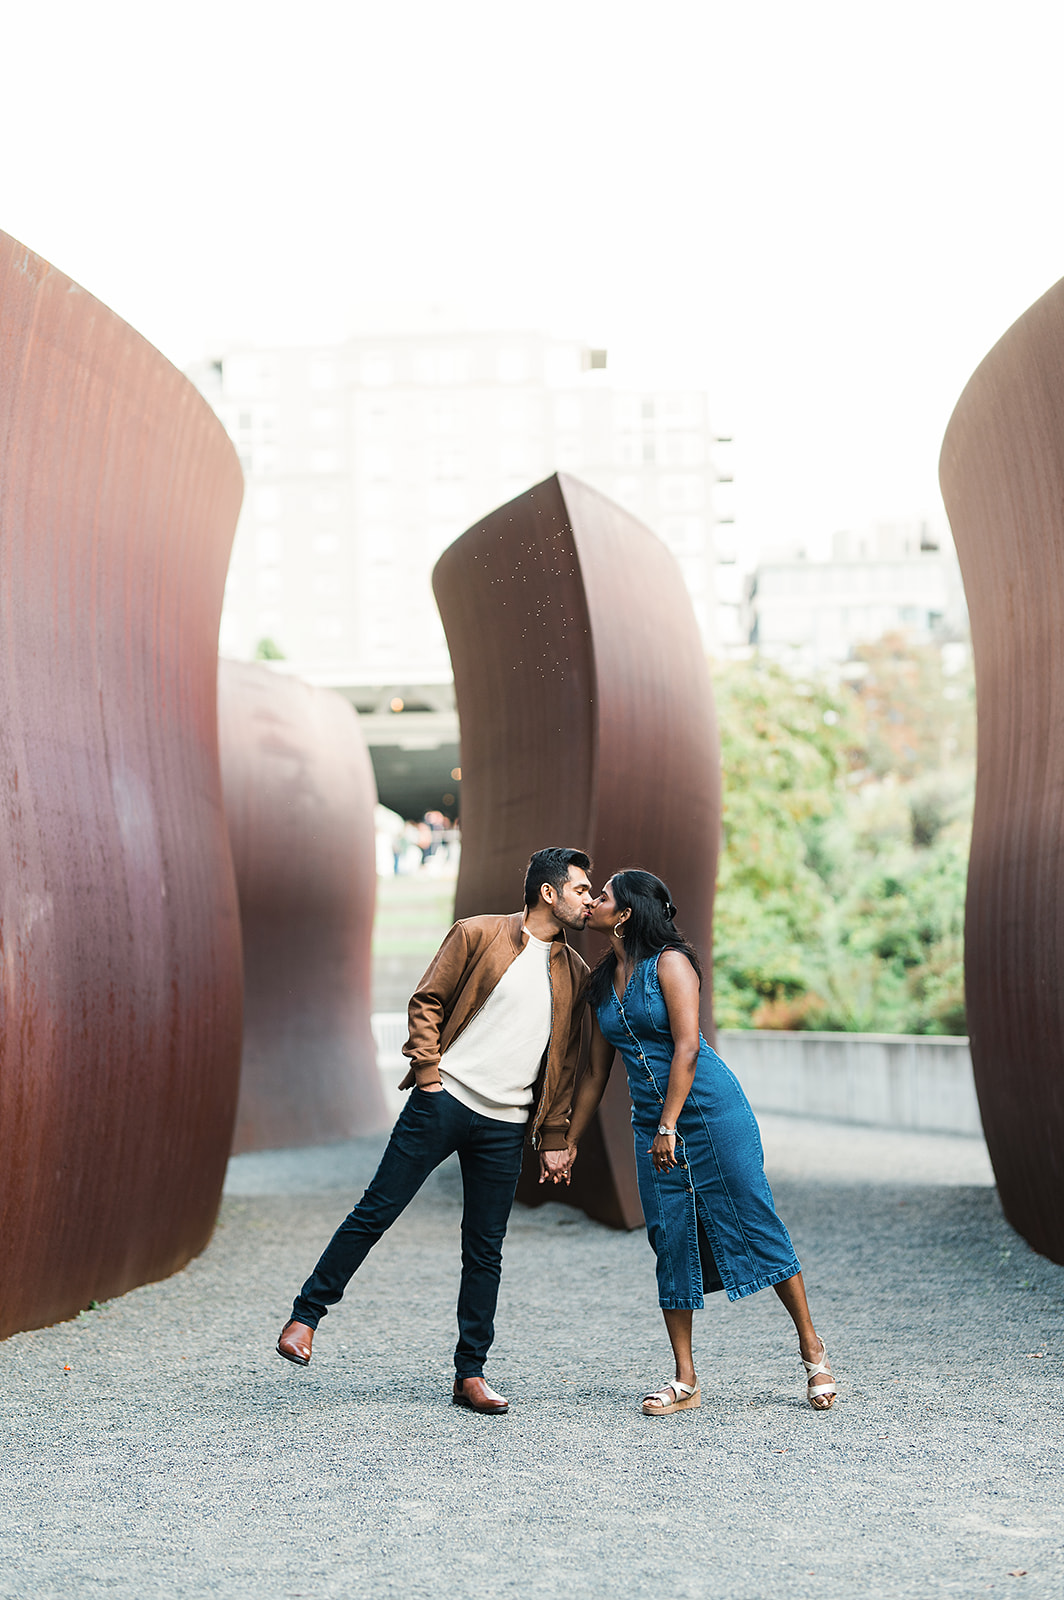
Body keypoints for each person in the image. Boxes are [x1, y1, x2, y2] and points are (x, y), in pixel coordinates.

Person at [276, 846, 594, 1413]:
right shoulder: (478, 934)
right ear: (549, 892)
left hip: (506, 1123)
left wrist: (553, 1136)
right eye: (580, 890)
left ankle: (470, 1374)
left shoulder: (574, 973)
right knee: (376, 1211)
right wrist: (428, 1076)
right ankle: (305, 1318)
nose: (588, 899)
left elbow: (566, 1064)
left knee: (485, 1250)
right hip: (443, 1101)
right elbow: (427, 1000)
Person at [564, 868, 836, 1416]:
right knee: (668, 1238)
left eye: (605, 896)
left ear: (627, 913)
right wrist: (567, 1140)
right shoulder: (599, 984)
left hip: (709, 1113)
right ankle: (685, 1379)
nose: (593, 901)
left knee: (755, 1219)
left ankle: (813, 1354)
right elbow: (595, 1075)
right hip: (651, 1126)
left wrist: (670, 1125)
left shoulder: (671, 964)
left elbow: (687, 1048)